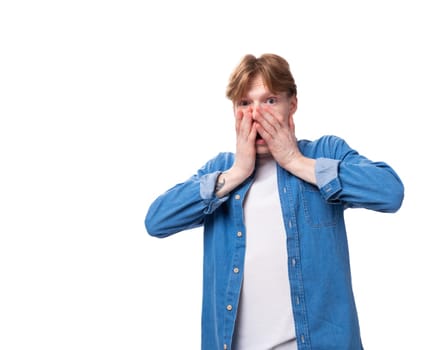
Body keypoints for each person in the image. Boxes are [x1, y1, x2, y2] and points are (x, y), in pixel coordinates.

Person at [144, 53, 404, 350]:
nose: (256, 114)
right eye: (245, 103)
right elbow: (156, 221)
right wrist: (237, 173)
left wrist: (296, 161)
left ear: (291, 104)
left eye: (269, 101)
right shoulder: (220, 171)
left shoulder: (324, 151)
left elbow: (389, 192)